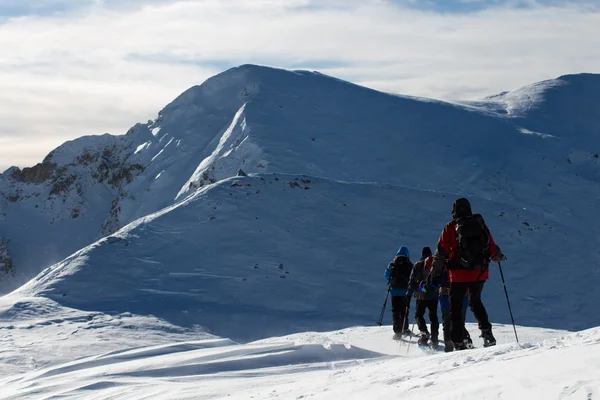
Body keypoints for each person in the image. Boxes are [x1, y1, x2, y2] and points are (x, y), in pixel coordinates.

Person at [431, 198, 506, 350]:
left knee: (456, 307)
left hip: (458, 274)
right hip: (480, 272)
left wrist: (435, 274)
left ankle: (459, 341)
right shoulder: (480, 224)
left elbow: (440, 253)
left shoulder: (450, 227)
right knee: (475, 301)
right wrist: (497, 256)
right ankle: (487, 333)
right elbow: (491, 246)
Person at [407, 247, 439, 346]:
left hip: (422, 294)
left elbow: (412, 280)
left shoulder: (418, 264)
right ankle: (435, 338)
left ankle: (424, 333)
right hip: (434, 293)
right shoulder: (435, 263)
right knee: (433, 316)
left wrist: (410, 292)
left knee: (419, 315)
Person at [438, 265, 472, 352]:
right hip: (462, 296)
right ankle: (464, 340)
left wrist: (421, 289)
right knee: (459, 320)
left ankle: (449, 347)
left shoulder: (441, 264)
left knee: (447, 323)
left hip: (445, 297)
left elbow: (433, 281)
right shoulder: (463, 261)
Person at [384, 246, 413, 337]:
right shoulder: (409, 264)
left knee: (396, 310)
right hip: (405, 291)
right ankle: (405, 328)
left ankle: (397, 330)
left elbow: (387, 275)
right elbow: (413, 277)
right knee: (405, 309)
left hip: (394, 291)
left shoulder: (392, 264)